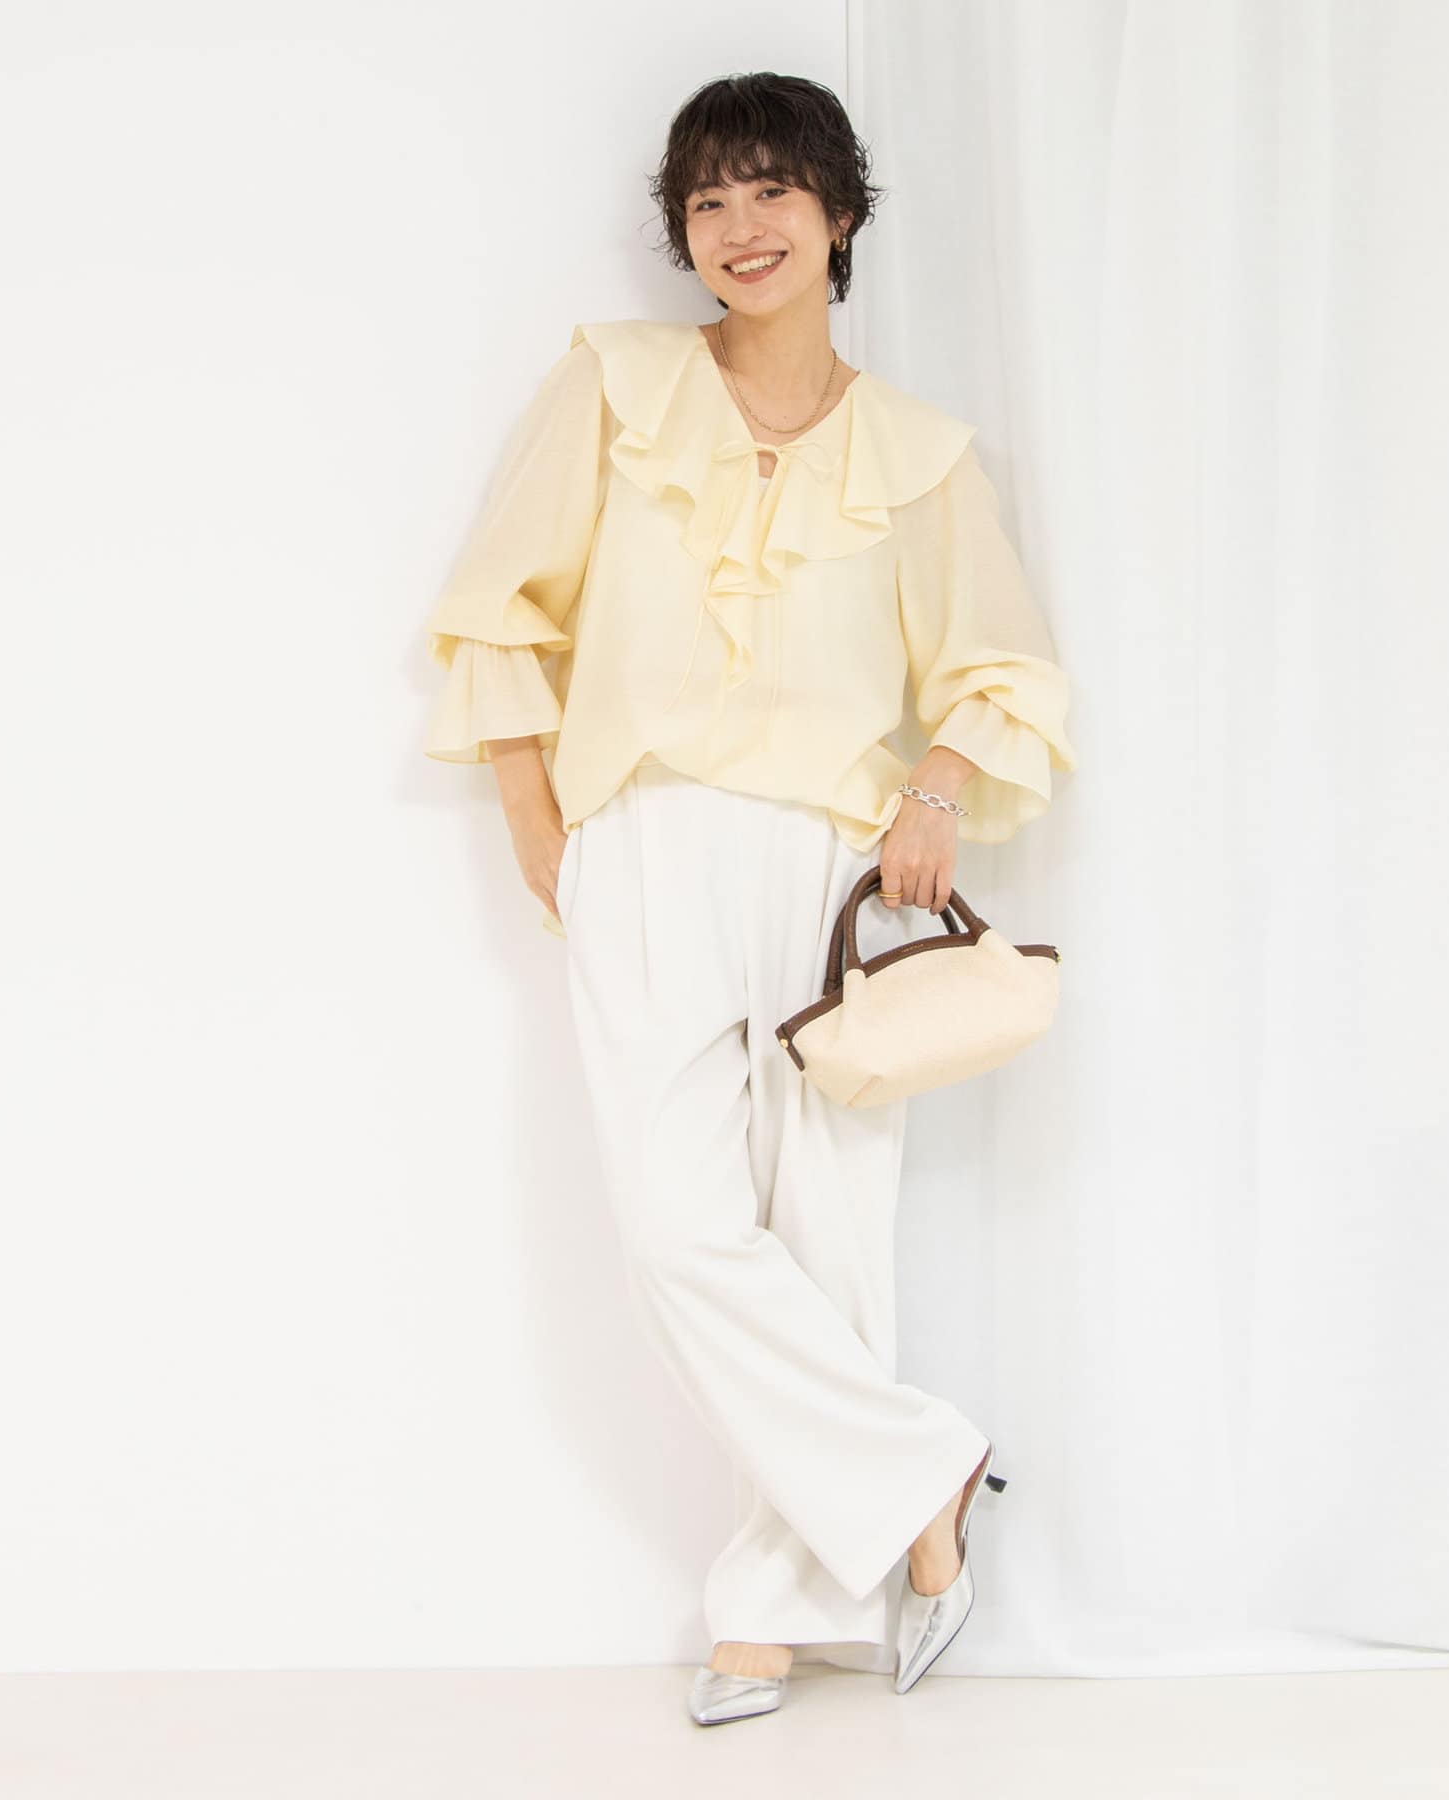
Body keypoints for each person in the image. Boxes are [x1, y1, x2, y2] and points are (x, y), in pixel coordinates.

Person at [422, 73, 1077, 1725]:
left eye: (774, 190)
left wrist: (937, 789)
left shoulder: (920, 456)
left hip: (832, 869)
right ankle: (927, 1475)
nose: (741, 226)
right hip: (641, 842)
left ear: (840, 216)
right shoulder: (614, 386)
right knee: (679, 1226)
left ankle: (773, 1613)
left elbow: (1004, 668)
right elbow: (501, 609)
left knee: (827, 1233)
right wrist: (539, 821)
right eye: (708, 201)